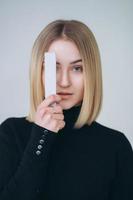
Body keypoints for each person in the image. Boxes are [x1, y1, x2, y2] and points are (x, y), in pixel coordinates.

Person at [0, 19, 133, 200]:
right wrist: (41, 138)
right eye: (54, 68)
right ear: (38, 71)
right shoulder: (11, 134)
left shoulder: (116, 146)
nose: (64, 81)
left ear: (91, 74)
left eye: (77, 68)